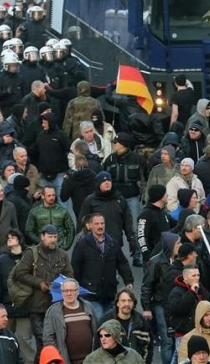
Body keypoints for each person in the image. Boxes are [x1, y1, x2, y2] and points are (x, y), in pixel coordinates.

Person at [13, 224, 74, 356]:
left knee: (57, 340)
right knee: (42, 341)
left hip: (56, 305)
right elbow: (20, 273)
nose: (53, 240)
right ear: (42, 237)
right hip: (36, 306)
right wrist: (39, 283)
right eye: (50, 237)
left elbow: (70, 275)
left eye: (55, 237)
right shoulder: (32, 253)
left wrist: (59, 284)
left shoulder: (62, 255)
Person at [72, 213, 134, 321]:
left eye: (102, 223)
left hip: (109, 293)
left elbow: (122, 263)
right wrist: (75, 288)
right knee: (100, 322)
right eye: (96, 224)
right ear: (90, 226)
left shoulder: (112, 243)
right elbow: (75, 267)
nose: (100, 226)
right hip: (91, 294)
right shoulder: (83, 244)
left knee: (110, 323)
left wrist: (128, 281)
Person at [0, 229, 35, 364]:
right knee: (2, 339)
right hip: (6, 307)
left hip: (25, 306)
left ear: (19, 239)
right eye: (8, 237)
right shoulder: (0, 261)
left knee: (24, 339)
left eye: (13, 237)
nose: (9, 239)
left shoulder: (30, 258)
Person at [102, 132, 146, 267]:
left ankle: (137, 256)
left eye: (116, 142)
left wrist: (143, 196)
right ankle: (114, 255)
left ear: (124, 145)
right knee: (113, 229)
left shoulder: (138, 159)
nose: (114, 144)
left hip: (132, 197)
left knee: (134, 228)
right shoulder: (109, 160)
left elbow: (144, 179)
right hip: (114, 198)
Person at [141, 232, 181, 364]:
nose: (180, 246)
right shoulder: (155, 262)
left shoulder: (180, 261)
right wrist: (146, 308)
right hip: (160, 305)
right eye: (178, 243)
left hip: (176, 304)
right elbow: (147, 286)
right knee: (167, 340)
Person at [43, 278, 98, 364]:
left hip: (90, 360)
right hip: (66, 361)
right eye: (65, 291)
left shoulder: (88, 307)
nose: (69, 293)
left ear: (78, 291)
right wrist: (57, 356)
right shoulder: (53, 311)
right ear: (61, 293)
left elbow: (96, 331)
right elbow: (48, 338)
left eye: (72, 290)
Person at [166, 265, 210, 358]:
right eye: (193, 276)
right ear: (185, 278)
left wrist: (201, 291)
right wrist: (191, 293)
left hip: (201, 332)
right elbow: (178, 308)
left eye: (198, 275)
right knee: (183, 358)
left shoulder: (201, 289)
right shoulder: (176, 291)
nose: (197, 278)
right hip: (183, 334)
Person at [99, 289, 154, 364]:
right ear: (117, 303)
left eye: (130, 301)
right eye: (123, 301)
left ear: (133, 304)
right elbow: (97, 347)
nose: (127, 304)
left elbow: (148, 348)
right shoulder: (105, 321)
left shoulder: (142, 323)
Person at [26, 186, 75, 250]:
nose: (52, 198)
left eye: (53, 195)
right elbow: (28, 230)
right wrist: (40, 242)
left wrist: (66, 246)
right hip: (41, 248)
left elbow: (71, 229)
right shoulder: (34, 211)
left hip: (59, 247)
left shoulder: (62, 211)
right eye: (49, 195)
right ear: (42, 196)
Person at [137, 185, 171, 262]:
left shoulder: (163, 213)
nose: (167, 195)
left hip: (165, 256)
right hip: (152, 259)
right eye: (165, 193)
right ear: (160, 196)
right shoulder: (146, 214)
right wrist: (148, 256)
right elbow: (141, 237)